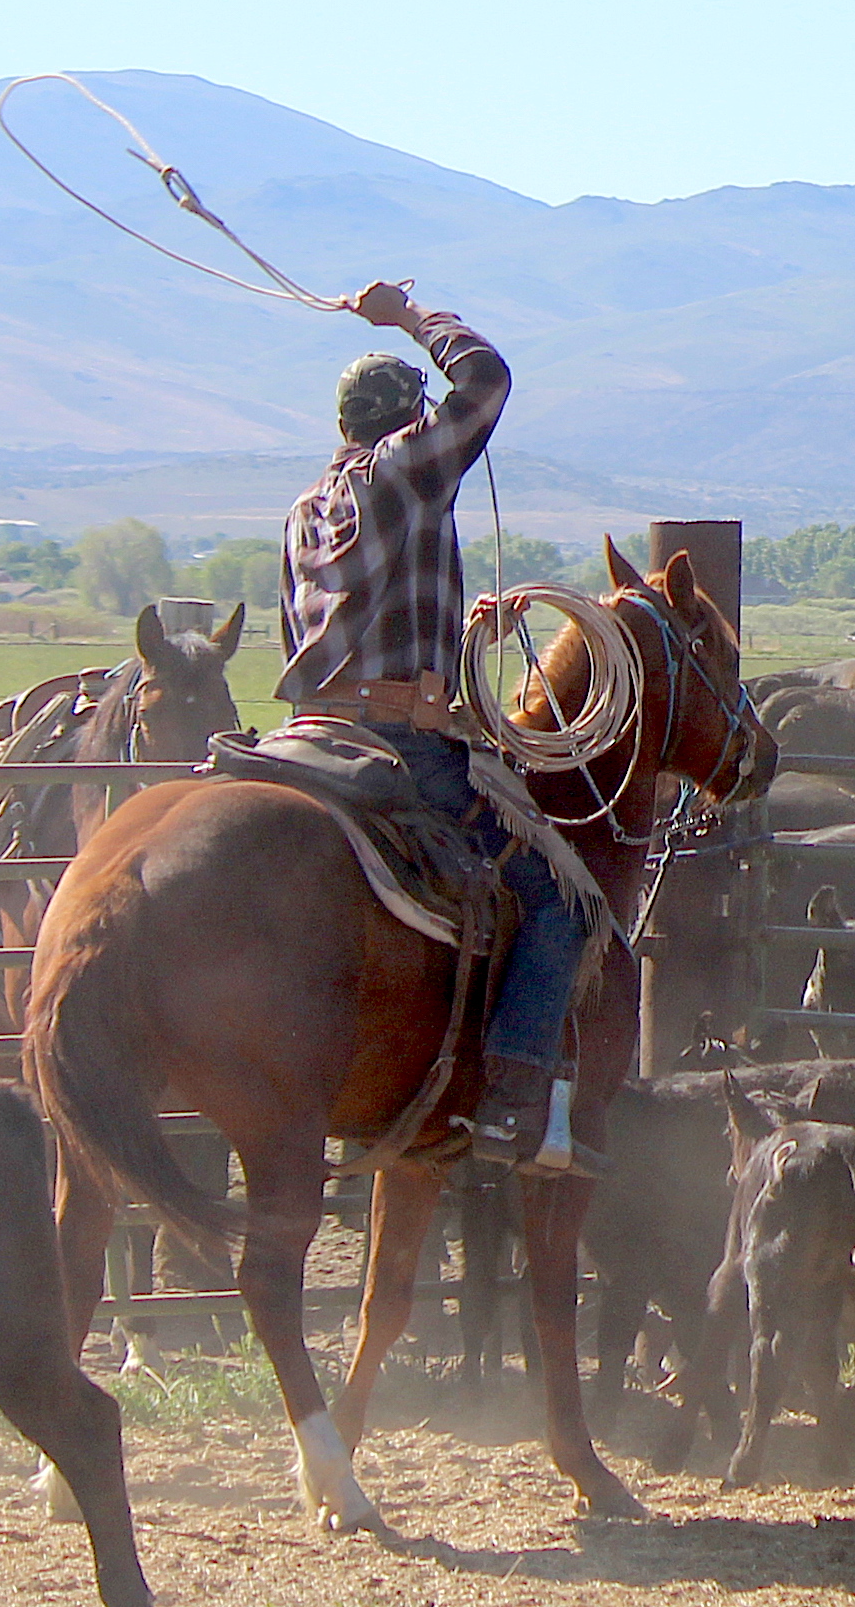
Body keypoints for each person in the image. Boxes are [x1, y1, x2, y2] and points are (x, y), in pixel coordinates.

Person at [277, 280, 589, 1173]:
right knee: (558, 899)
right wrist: (413, 320)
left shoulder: (302, 512)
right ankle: (511, 1103)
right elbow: (486, 381)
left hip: (305, 739)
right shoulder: (402, 473)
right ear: (407, 420)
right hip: (402, 749)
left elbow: (321, 636)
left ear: (341, 423)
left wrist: (458, 632)